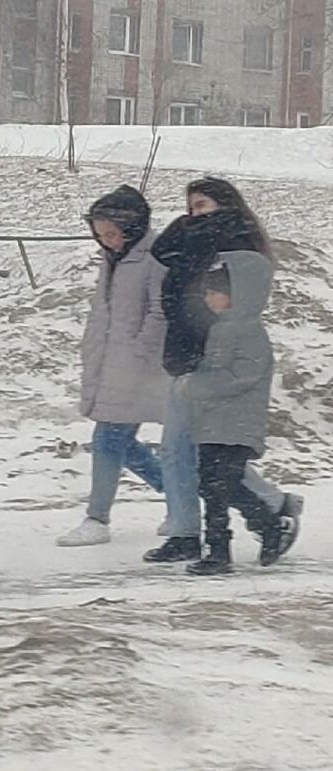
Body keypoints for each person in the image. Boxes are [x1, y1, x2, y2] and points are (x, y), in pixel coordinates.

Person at [144, 176, 301, 564]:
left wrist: (198, 229)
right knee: (178, 450)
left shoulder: (234, 242)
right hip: (187, 352)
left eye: (202, 205)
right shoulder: (190, 240)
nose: (193, 214)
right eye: (190, 207)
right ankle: (187, 532)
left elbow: (231, 297)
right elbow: (163, 257)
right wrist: (188, 224)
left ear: (226, 206)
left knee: (206, 454)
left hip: (217, 356)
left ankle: (268, 510)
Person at [58, 186, 169, 547]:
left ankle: (97, 518)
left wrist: (139, 354)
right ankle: (182, 495)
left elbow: (159, 311)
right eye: (99, 235)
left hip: (138, 367)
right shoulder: (114, 259)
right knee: (121, 443)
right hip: (112, 362)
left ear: (132, 226)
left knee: (108, 440)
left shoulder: (154, 257)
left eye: (110, 233)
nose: (105, 242)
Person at [179, 261, 288, 574]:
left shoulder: (251, 331)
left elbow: (242, 376)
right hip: (214, 421)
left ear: (235, 295)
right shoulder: (220, 329)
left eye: (215, 292)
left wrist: (197, 385)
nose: (209, 299)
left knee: (223, 484)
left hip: (239, 422)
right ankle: (219, 549)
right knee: (211, 485)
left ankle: (266, 527)